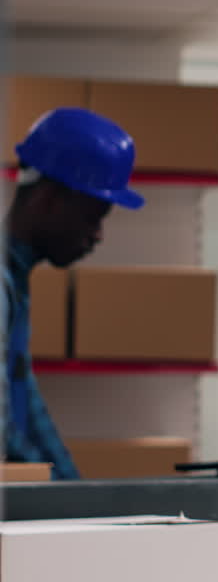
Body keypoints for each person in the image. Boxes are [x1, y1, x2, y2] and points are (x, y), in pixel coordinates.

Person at [5, 108, 146, 479]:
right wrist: (60, 498)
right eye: (93, 216)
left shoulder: (15, 280)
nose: (98, 235)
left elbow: (27, 405)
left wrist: (76, 490)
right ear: (49, 199)